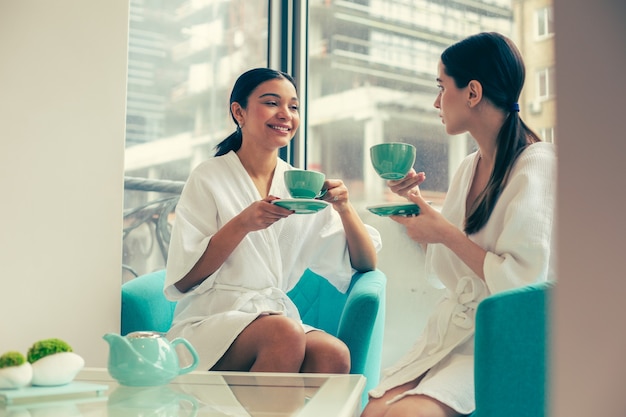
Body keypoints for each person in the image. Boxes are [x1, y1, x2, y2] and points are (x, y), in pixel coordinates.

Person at [361, 32, 556, 417]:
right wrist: (415, 204)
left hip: (502, 342)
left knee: (403, 415)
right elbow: (447, 267)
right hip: (453, 336)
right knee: (371, 409)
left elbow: (522, 285)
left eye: (441, 87)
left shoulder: (539, 163)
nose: (436, 102)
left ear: (472, 93)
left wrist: (444, 233)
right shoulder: (469, 167)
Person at [163, 67, 381, 374]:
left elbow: (365, 263)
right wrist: (243, 223)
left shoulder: (298, 187)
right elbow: (185, 281)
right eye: (271, 103)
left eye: (293, 107)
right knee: (284, 333)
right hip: (208, 320)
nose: (285, 114)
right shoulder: (209, 177)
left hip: (270, 316)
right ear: (239, 112)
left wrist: (345, 208)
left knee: (334, 354)